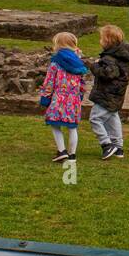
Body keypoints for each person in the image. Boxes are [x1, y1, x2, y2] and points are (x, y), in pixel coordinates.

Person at [38, 32, 89, 162]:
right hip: (74, 99)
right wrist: (80, 95)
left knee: (54, 124)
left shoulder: (55, 62)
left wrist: (45, 98)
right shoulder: (79, 63)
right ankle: (72, 155)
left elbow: (49, 82)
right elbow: (82, 83)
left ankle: (62, 151)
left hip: (59, 98)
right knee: (72, 127)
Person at [88, 24, 129, 160]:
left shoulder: (110, 58)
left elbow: (109, 74)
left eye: (101, 38)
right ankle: (118, 147)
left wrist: (94, 65)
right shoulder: (122, 55)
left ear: (107, 41)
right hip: (117, 94)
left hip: (106, 94)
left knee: (95, 119)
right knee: (113, 118)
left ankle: (106, 145)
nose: (100, 41)